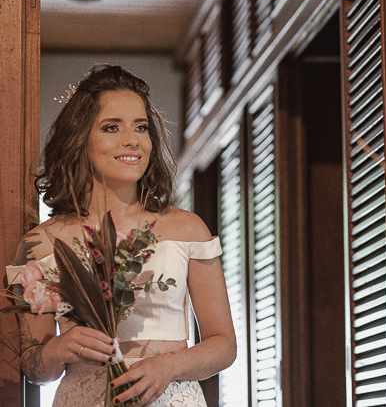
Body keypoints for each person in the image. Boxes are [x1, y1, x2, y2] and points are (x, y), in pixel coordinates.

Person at [11, 65, 236, 406]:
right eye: (112, 127)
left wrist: (168, 367)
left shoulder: (188, 228)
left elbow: (224, 345)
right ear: (79, 139)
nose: (132, 140)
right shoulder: (41, 243)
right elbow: (32, 366)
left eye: (141, 128)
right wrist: (57, 350)